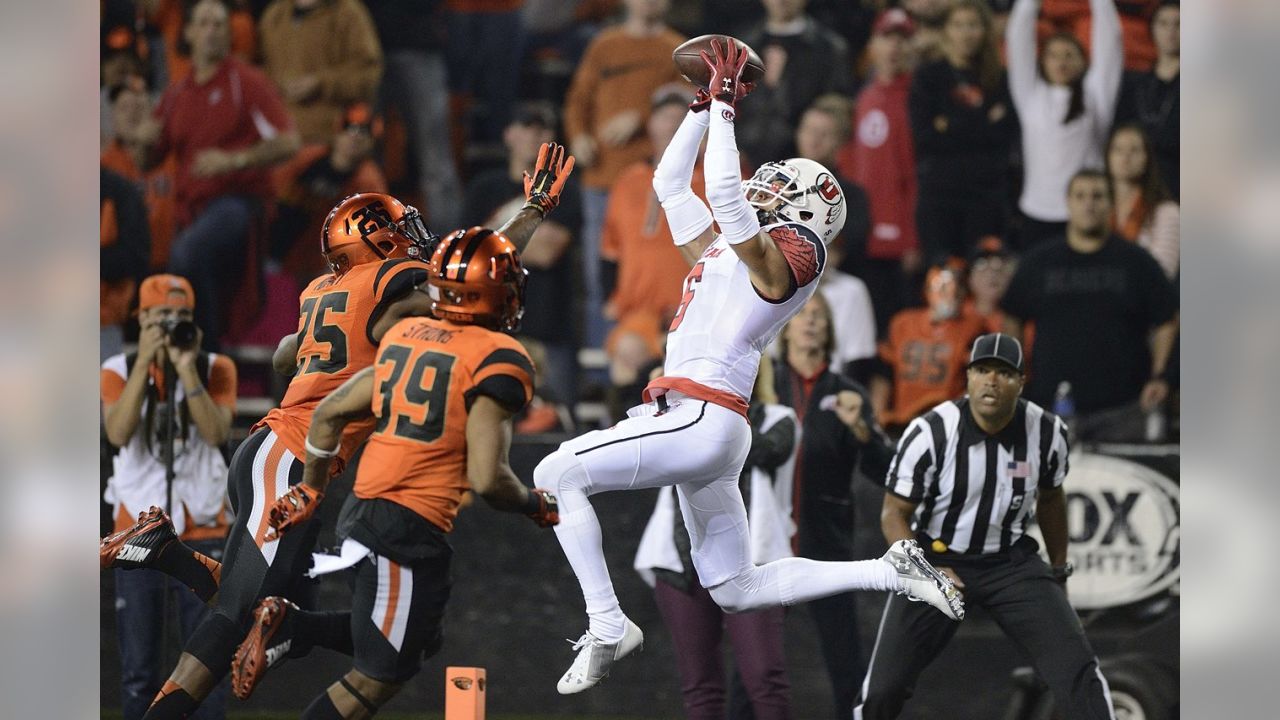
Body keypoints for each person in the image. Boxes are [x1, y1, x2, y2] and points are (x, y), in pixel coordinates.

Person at [535, 39, 963, 696]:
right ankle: (888, 572)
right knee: (735, 587)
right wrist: (703, 107)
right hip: (705, 420)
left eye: (783, 186)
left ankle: (607, 622)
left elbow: (733, 206)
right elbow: (669, 183)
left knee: (555, 471)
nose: (768, 185)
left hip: (701, 413)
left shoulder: (798, 253)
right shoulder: (725, 254)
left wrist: (729, 111)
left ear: (808, 210)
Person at [100, 144, 574, 719]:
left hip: (278, 452)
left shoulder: (321, 290)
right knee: (229, 618)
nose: (414, 236)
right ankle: (160, 557)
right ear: (375, 238)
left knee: (261, 608)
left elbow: (282, 357)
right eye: (402, 227)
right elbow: (471, 272)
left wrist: (332, 351)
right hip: (294, 457)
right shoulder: (392, 278)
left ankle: (168, 554)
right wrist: (532, 210)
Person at [228, 228, 561, 718]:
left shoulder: (404, 334)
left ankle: (295, 626)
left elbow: (330, 412)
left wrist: (312, 488)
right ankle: (295, 626)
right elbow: (489, 479)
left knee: (417, 638)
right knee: (379, 676)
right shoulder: (499, 358)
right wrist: (536, 504)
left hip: (366, 512)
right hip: (407, 526)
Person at [854, 333, 1116, 720]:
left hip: (1010, 562)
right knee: (882, 689)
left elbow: (1051, 498)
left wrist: (1058, 568)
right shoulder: (930, 433)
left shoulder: (1045, 432)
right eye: (982, 370)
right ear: (969, 378)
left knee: (1077, 667)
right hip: (935, 558)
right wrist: (924, 571)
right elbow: (892, 514)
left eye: (1004, 373)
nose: (991, 381)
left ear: (1021, 382)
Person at [102, 275, 236, 720]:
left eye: (182, 317)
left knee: (206, 667)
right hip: (137, 531)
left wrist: (183, 367)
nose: (173, 325)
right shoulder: (117, 370)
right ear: (140, 319)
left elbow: (217, 433)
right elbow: (118, 433)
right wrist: (145, 363)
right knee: (140, 670)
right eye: (162, 317)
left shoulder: (215, 366)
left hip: (203, 525)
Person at [634, 359, 796, 720]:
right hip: (681, 560)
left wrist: (693, 407)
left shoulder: (778, 418)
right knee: (700, 687)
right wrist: (661, 403)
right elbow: (642, 448)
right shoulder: (680, 415)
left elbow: (764, 450)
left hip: (756, 563)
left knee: (765, 678)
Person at [140, 0, 303, 347]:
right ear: (189, 32)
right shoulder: (176, 94)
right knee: (186, 268)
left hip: (238, 204)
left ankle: (204, 352)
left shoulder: (247, 82)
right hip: (191, 211)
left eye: (220, 24)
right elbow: (148, 159)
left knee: (186, 254)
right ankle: (208, 358)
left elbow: (288, 142)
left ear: (230, 34)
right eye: (205, 23)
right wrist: (138, 138)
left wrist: (234, 161)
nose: (213, 31)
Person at [773, 293, 895, 719]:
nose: (810, 323)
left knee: (845, 660)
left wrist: (860, 428)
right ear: (785, 326)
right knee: (758, 662)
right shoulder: (761, 384)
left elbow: (887, 471)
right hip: (766, 543)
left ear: (829, 331)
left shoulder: (847, 393)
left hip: (826, 540)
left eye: (819, 316)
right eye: (802, 314)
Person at [1000, 170, 1177, 441]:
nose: (1089, 204)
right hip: (1050, 409)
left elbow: (1167, 318)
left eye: (1098, 196)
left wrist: (1160, 375)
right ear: (1068, 203)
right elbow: (1012, 315)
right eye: (1080, 196)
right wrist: (1015, 371)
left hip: (1123, 410)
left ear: (1111, 204)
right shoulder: (1038, 262)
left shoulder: (1136, 261)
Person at [563, 0, 685, 349]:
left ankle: (650, 359)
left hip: (650, 183)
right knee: (596, 279)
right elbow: (578, 98)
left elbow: (686, 104)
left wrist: (640, 115)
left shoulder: (675, 49)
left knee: (649, 277)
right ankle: (604, 362)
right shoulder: (605, 44)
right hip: (602, 179)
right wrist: (579, 135)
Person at [465, 104, 583, 408]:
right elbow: (470, 252)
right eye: (526, 126)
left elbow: (546, 252)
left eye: (543, 129)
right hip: (492, 323)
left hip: (549, 325)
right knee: (486, 415)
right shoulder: (484, 187)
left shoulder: (565, 187)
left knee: (554, 423)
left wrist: (495, 239)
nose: (535, 135)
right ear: (508, 134)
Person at [601, 85, 707, 406]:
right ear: (651, 124)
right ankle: (626, 440)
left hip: (696, 310)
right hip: (640, 309)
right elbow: (610, 247)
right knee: (627, 354)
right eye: (665, 117)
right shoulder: (629, 179)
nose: (672, 125)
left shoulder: (716, 178)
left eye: (681, 118)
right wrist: (610, 296)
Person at [1007, 0, 1122, 249]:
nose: (1061, 62)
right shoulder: (1031, 96)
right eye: (1053, 56)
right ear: (1043, 62)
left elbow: (1110, 39)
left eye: (1069, 55)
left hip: (1086, 214)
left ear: (1083, 61)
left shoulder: (1096, 96)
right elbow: (1018, 36)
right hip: (1037, 212)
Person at [909, 0, 1015, 265]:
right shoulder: (928, 77)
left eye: (973, 25)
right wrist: (983, 121)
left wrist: (950, 124)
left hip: (986, 196)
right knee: (942, 275)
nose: (966, 33)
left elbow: (1004, 137)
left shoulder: (999, 79)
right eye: (958, 25)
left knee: (982, 273)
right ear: (946, 30)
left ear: (985, 31)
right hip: (939, 196)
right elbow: (924, 138)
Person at [836, 8, 921, 338]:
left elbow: (915, 173)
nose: (895, 48)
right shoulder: (865, 96)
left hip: (901, 245)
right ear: (872, 45)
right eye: (887, 39)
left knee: (898, 329)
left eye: (903, 40)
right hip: (865, 239)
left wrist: (913, 237)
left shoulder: (918, 98)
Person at [365, 0, 463, 231]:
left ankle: (449, 244)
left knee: (435, 155)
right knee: (365, 153)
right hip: (363, 48)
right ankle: (366, 241)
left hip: (418, 44)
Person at [269, 103, 390, 281]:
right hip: (270, 249)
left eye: (364, 132)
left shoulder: (370, 182)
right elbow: (268, 192)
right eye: (349, 128)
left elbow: (370, 240)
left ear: (373, 142)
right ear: (338, 132)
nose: (354, 136)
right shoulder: (306, 158)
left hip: (316, 268)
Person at [735, 0, 855, 167]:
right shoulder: (742, 45)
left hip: (804, 165)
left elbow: (838, 108)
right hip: (743, 162)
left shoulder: (829, 49)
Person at [871, 264, 987, 429]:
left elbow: (978, 380)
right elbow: (883, 372)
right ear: (927, 290)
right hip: (902, 421)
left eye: (956, 287)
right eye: (943, 287)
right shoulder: (902, 323)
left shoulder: (975, 327)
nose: (951, 294)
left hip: (948, 422)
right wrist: (876, 417)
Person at [257, 0, 384, 145]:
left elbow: (368, 75)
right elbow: (258, 72)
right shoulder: (274, 14)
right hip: (277, 137)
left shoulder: (348, 13)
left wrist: (321, 83)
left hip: (328, 139)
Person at [1117, 1, 1179, 198]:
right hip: (1139, 188)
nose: (1171, 31)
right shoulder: (1134, 83)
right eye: (1163, 23)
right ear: (1152, 30)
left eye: (1179, 24)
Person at [1106, 123, 1179, 279]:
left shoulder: (1166, 212)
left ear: (1147, 157)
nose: (1125, 157)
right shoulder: (1098, 208)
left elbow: (1162, 274)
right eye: (1118, 149)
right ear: (1107, 157)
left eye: (1134, 150)